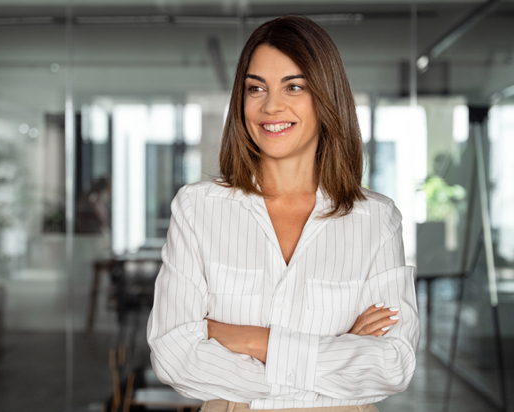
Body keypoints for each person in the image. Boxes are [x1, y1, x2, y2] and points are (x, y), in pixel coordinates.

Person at [147, 15, 419, 412]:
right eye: (256, 88)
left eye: (294, 86)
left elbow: (392, 364)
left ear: (327, 97)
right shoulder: (197, 210)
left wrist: (252, 340)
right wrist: (338, 350)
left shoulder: (376, 220)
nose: (271, 105)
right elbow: (174, 355)